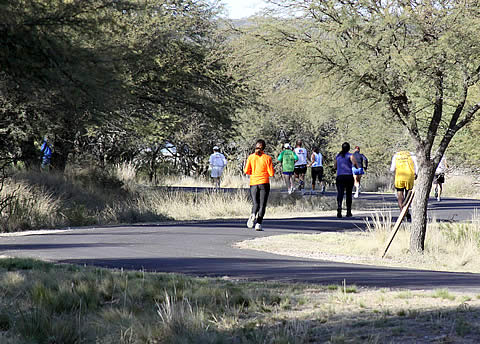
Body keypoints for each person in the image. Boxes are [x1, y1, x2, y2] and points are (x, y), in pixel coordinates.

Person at [244, 139, 274, 231]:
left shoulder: (251, 157)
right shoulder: (267, 158)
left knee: (255, 203)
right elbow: (271, 173)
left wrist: (253, 172)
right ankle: (258, 223)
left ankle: (253, 214)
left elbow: (246, 171)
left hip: (253, 183)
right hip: (264, 182)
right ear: (264, 147)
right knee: (262, 205)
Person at [390, 150, 418, 221]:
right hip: (409, 177)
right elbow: (416, 167)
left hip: (399, 177)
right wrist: (416, 174)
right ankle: (406, 210)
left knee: (400, 195)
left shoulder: (396, 156)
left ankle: (402, 212)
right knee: (408, 195)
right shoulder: (412, 156)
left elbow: (392, 169)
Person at [334, 142, 358, 218]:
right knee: (348, 194)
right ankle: (348, 211)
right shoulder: (350, 156)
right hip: (348, 176)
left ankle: (339, 208)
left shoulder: (338, 156)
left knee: (340, 193)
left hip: (340, 176)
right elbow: (355, 164)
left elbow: (335, 166)